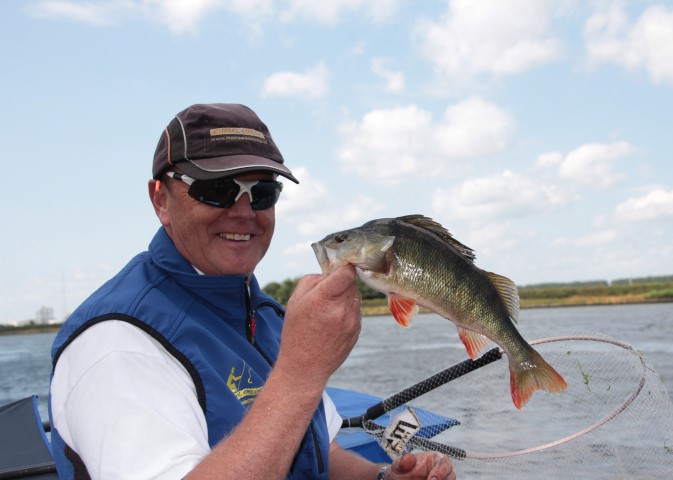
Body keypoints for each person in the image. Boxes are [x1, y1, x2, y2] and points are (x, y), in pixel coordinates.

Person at [49, 103, 456, 480]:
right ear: (161, 201)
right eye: (216, 189)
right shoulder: (118, 342)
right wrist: (300, 372)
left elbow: (316, 449)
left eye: (262, 193)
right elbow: (291, 399)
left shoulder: (266, 315)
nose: (244, 211)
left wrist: (382, 477)